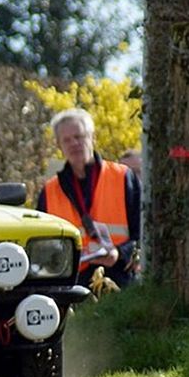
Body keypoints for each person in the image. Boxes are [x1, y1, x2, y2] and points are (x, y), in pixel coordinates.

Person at [36, 108, 142, 287]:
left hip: (119, 284)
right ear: (59, 146)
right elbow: (42, 250)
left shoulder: (123, 177)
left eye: (79, 136)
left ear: (92, 137)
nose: (74, 144)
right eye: (67, 140)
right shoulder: (49, 191)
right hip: (70, 287)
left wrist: (119, 253)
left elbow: (143, 235)